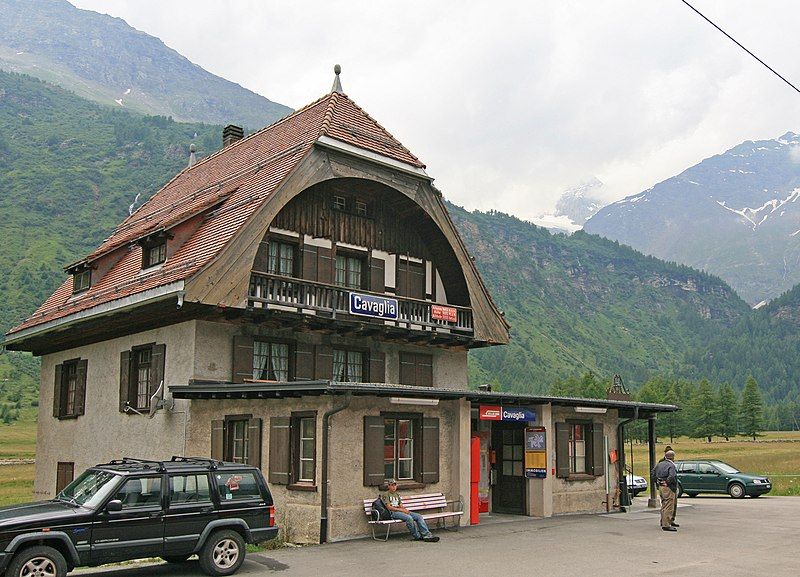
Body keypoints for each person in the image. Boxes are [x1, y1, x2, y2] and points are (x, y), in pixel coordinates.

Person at [652, 450, 678, 531]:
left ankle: (663, 521)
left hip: (661, 487)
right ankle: (666, 524)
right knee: (669, 505)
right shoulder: (671, 465)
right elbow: (672, 476)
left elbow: (652, 473)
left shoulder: (659, 464)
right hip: (669, 487)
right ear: (673, 457)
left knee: (664, 504)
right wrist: (667, 482)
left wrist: (657, 481)